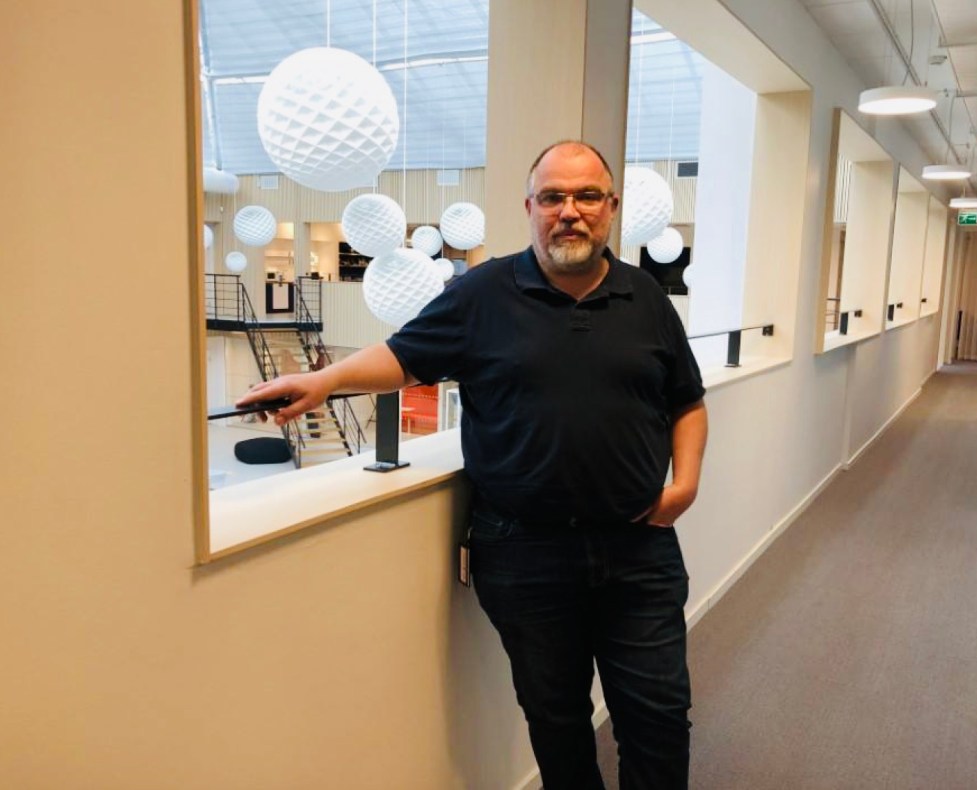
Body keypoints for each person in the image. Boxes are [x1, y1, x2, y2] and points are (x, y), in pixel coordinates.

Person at [238, 140, 708, 789]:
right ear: (530, 208)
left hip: (638, 547)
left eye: (586, 196)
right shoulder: (483, 293)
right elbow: (404, 357)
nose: (569, 211)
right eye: (553, 197)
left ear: (611, 207)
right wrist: (326, 380)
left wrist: (685, 484)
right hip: (524, 553)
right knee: (557, 721)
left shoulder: (646, 296)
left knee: (659, 717)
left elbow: (687, 401)